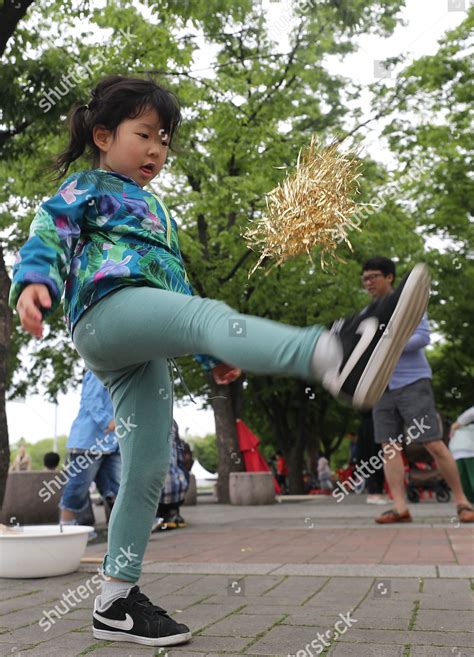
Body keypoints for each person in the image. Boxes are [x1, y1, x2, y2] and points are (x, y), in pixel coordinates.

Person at [9, 75, 430, 648]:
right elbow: (48, 229)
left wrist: (215, 352)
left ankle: (114, 600)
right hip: (105, 313)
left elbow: (178, 288)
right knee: (205, 313)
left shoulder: (158, 210)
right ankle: (331, 352)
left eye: (165, 139)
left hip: (142, 342)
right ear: (104, 136)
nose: (157, 149)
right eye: (145, 135)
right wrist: (33, 281)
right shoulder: (88, 186)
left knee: (147, 466)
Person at [359, 257, 474, 524]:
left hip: (413, 383)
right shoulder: (368, 313)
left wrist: (388, 342)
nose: (368, 283)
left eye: (373, 276)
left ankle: (462, 502)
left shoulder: (409, 303)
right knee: (389, 447)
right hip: (381, 386)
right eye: (364, 279)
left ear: (390, 277)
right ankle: (400, 507)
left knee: (432, 441)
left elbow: (423, 337)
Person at [59, 370, 121, 530]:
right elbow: (91, 400)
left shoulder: (120, 371)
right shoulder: (98, 370)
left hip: (112, 442)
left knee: (116, 486)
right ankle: (66, 525)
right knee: (79, 486)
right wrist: (108, 421)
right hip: (88, 441)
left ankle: (126, 526)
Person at [152, 420, 189, 531]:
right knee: (178, 476)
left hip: (156, 489)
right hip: (177, 485)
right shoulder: (171, 422)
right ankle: (172, 513)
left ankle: (163, 514)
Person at [356, 412, 387, 504]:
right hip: (375, 425)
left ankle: (373, 492)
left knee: (370, 461)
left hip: (367, 425)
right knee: (376, 459)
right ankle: (376, 492)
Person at [449, 406, 474, 504]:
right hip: (467, 448)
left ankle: (468, 501)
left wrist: (457, 424)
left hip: (458, 448)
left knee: (464, 479)